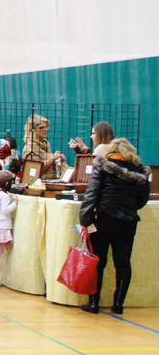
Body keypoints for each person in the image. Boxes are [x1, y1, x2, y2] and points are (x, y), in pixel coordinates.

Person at [78, 138, 151, 314]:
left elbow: (92, 193)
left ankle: (94, 304)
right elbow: (142, 199)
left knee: (98, 262)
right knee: (123, 263)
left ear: (111, 150)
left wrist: (84, 219)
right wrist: (128, 208)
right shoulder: (141, 171)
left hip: (102, 218)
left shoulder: (103, 166)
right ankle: (118, 305)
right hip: (128, 221)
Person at [22, 114, 64, 179]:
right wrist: (53, 158)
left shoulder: (45, 145)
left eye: (46, 127)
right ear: (33, 129)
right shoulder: (31, 147)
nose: (46, 130)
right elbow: (36, 170)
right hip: (37, 185)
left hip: (50, 183)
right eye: (41, 128)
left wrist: (60, 160)